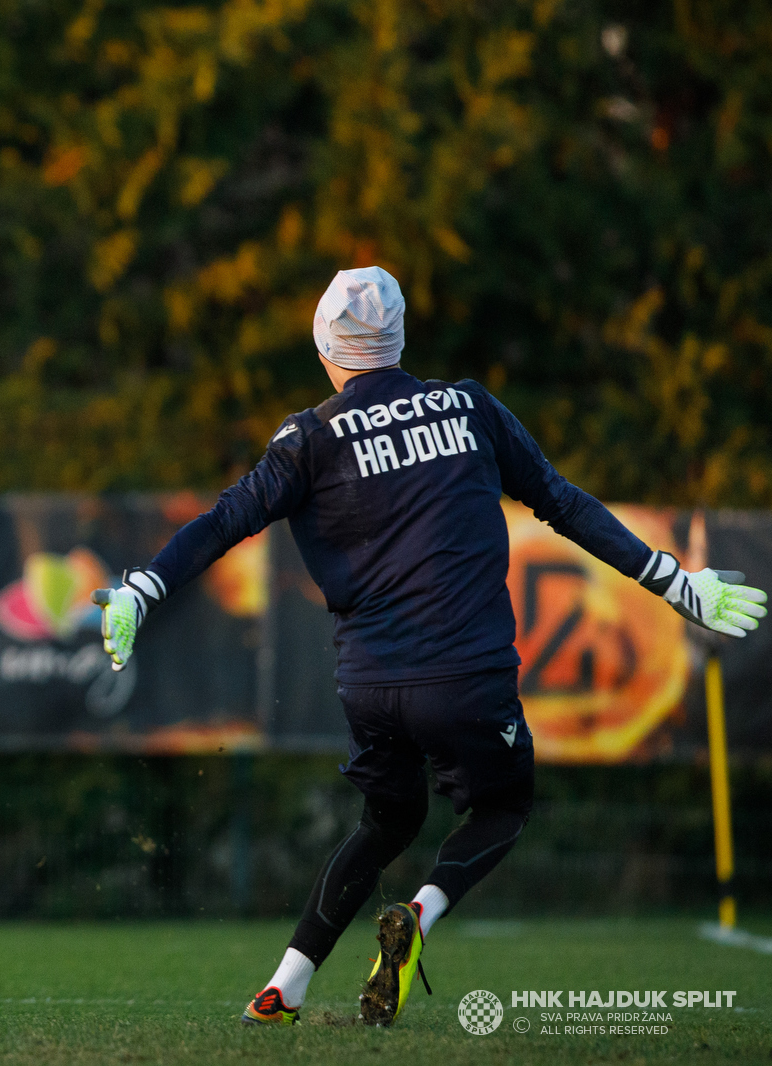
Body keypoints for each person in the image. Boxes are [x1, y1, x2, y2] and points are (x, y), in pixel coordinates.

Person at [91, 266, 766, 1026]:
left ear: (325, 349)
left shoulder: (308, 438)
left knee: (388, 821)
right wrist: (679, 585)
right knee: (502, 806)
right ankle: (420, 910)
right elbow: (563, 503)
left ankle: (285, 985)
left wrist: (141, 592)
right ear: (401, 339)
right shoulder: (469, 407)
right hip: (468, 676)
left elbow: (221, 523)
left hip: (370, 684)